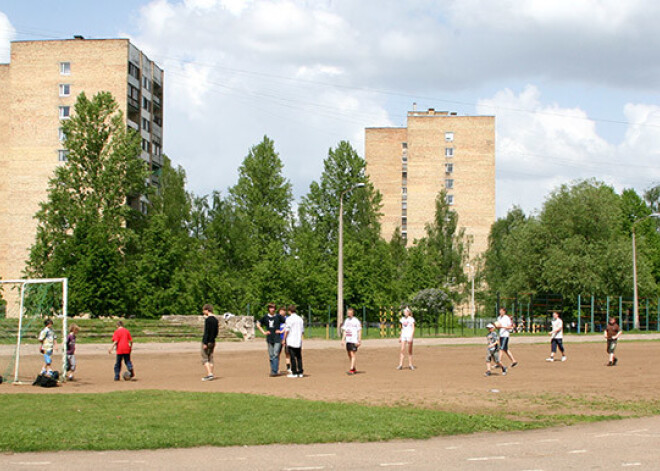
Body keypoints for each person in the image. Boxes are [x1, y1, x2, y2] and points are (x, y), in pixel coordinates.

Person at [257, 303, 286, 377]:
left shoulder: (278, 316)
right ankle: (273, 369)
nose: (272, 309)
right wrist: (264, 332)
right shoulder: (265, 317)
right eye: (270, 308)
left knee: (276, 354)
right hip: (269, 338)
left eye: (273, 308)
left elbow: (288, 323)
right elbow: (258, 324)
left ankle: (274, 371)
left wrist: (282, 331)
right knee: (271, 355)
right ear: (268, 309)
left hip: (277, 338)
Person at [283, 305, 304, 378]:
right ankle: (300, 372)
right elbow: (302, 331)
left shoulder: (289, 319)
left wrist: (284, 339)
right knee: (299, 357)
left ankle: (294, 372)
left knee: (292, 357)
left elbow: (287, 330)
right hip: (298, 340)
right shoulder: (300, 319)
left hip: (291, 340)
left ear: (289, 311)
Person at [341, 307, 362, 375]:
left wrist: (359, 340)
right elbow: (345, 331)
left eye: (349, 313)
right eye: (347, 313)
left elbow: (359, 330)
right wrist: (343, 340)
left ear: (352, 313)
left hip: (354, 340)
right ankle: (354, 368)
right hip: (348, 340)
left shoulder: (356, 320)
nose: (348, 314)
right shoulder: (346, 320)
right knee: (349, 354)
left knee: (352, 354)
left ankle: (351, 368)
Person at [201, 304, 218, 381]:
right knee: (210, 358)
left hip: (207, 341)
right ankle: (211, 373)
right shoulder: (215, 320)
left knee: (205, 358)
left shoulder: (208, 320)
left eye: (204, 310)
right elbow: (216, 332)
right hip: (213, 341)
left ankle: (209, 374)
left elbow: (206, 332)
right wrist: (213, 339)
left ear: (207, 310)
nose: (203, 312)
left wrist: (205, 342)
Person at [278, 306, 291, 374]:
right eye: (280, 311)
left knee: (287, 353)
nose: (282, 312)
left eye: (283, 311)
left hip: (287, 338)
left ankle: (288, 368)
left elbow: (288, 327)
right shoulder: (277, 318)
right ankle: (277, 368)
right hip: (279, 338)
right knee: (277, 354)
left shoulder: (288, 319)